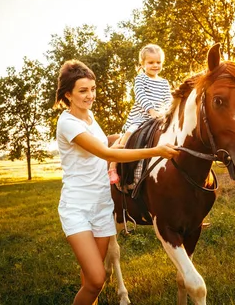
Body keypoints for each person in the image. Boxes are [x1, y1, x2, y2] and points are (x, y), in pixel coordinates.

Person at [55, 59, 178, 305]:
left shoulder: (89, 117)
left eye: (92, 89)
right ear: (68, 94)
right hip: (77, 208)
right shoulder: (67, 123)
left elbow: (105, 146)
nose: (90, 95)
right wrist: (155, 150)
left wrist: (122, 140)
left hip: (102, 207)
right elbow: (108, 155)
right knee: (98, 279)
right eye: (83, 90)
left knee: (89, 280)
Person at [107, 44, 172, 184]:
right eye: (151, 62)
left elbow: (168, 99)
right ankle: (113, 165)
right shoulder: (140, 79)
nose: (155, 65)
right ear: (142, 64)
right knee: (129, 133)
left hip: (159, 118)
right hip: (141, 116)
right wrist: (151, 111)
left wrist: (168, 112)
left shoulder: (164, 83)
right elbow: (141, 96)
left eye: (158, 62)